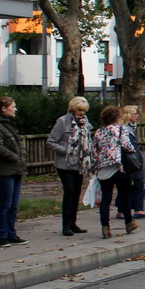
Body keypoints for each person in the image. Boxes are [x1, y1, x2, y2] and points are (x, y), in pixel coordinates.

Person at [46, 95, 93, 236]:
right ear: (73, 109)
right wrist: (66, 149)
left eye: (84, 110)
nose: (82, 113)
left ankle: (73, 223)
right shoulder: (62, 122)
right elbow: (51, 142)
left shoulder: (85, 122)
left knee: (76, 193)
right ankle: (65, 225)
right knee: (70, 191)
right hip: (65, 164)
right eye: (79, 110)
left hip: (79, 163)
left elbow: (88, 139)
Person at [90, 105, 138, 237]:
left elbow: (94, 150)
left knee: (106, 198)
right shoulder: (121, 130)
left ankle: (105, 227)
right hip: (119, 166)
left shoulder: (99, 132)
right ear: (117, 117)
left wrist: (95, 167)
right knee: (123, 195)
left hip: (103, 168)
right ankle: (129, 223)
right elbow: (126, 145)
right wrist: (133, 151)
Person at [0, 95, 27, 246]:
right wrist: (16, 157)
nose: (15, 109)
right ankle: (2, 235)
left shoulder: (11, 124)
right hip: (4, 171)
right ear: (4, 109)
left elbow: (19, 143)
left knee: (14, 204)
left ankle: (12, 233)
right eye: (13, 107)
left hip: (17, 169)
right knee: (5, 204)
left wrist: (22, 156)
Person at [116, 104, 145, 219]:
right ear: (128, 115)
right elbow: (129, 146)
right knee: (137, 184)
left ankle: (123, 209)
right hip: (131, 161)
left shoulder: (128, 127)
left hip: (129, 161)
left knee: (128, 186)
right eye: (135, 113)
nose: (137, 116)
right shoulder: (126, 129)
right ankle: (138, 209)